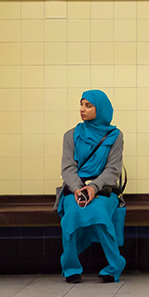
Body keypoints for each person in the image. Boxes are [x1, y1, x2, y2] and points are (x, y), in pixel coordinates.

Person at [57, 89, 127, 283]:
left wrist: (94, 188)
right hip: (75, 189)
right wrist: (78, 188)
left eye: (88, 105)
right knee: (72, 213)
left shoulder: (115, 136)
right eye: (81, 104)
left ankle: (115, 264)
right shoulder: (71, 135)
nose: (82, 109)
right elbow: (68, 168)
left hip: (104, 190)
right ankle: (70, 267)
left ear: (101, 109)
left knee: (98, 212)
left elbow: (113, 170)